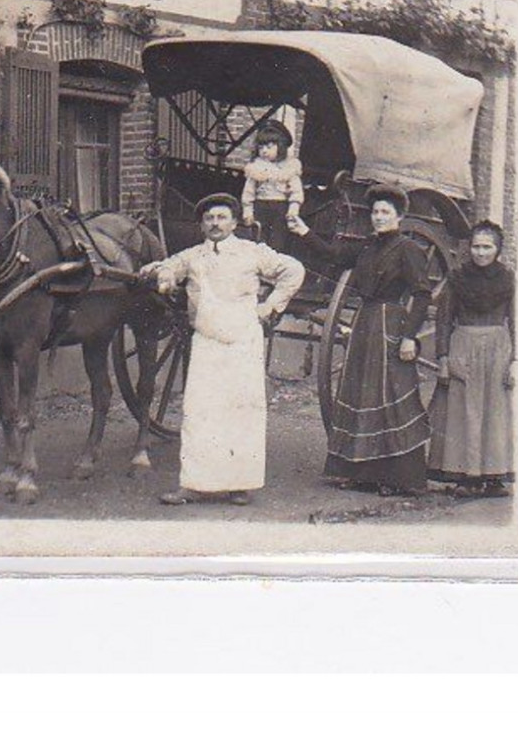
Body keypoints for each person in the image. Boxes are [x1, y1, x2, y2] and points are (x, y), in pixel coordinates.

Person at [145, 193, 305, 507]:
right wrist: (162, 275)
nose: (215, 224)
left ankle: (239, 485)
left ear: (233, 222)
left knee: (242, 412)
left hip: (243, 342)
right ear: (202, 225)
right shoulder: (192, 256)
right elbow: (168, 268)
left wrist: (270, 305)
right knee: (199, 411)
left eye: (221, 217)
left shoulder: (252, 253)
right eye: (209, 219)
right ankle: (193, 485)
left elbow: (293, 271)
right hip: (207, 342)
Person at [290, 185, 432, 495]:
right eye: (375, 213)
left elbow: (422, 294)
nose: (379, 218)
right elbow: (333, 253)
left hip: (390, 323)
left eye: (385, 213)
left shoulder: (408, 249)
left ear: (400, 216)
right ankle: (361, 473)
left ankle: (397, 478)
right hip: (365, 322)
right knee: (359, 393)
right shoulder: (368, 247)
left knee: (388, 393)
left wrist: (409, 337)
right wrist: (304, 232)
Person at [426, 221, 516, 498]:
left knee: (494, 411)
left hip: (498, 350)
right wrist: (442, 358)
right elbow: (443, 321)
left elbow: (517, 320)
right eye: (476, 246)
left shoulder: (508, 279)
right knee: (463, 411)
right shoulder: (457, 279)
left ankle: (493, 477)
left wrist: (516, 360)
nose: (481, 252)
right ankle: (466, 476)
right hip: (463, 345)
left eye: (487, 247)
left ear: (497, 249)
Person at [240, 120, 303, 253]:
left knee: (278, 239)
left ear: (280, 146)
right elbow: (249, 192)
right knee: (258, 236)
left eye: (269, 147)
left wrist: (294, 207)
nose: (264, 151)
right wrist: (247, 210)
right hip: (260, 206)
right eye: (261, 147)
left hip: (280, 208)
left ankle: (276, 260)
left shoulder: (290, 167)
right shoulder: (256, 167)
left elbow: (296, 191)